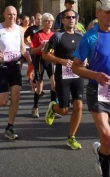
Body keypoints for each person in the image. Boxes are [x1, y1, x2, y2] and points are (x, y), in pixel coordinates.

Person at [72, 0, 110, 177]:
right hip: (97, 91)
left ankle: (100, 151)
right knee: (106, 138)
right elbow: (75, 67)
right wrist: (95, 75)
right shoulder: (90, 37)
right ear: (98, 12)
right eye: (107, 11)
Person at [0, 6, 32, 140]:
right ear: (4, 15)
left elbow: (22, 47)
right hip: (1, 67)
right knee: (4, 100)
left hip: (15, 66)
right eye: (9, 14)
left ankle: (9, 127)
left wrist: (26, 55)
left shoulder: (19, 29)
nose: (12, 17)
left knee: (16, 96)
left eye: (14, 14)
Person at [43, 9, 84, 150]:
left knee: (79, 106)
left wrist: (85, 60)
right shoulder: (57, 36)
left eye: (73, 17)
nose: (71, 19)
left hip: (77, 74)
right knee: (64, 110)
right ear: (63, 20)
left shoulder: (80, 36)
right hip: (62, 75)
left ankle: (71, 137)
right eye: (68, 17)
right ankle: (53, 108)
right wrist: (61, 61)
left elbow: (85, 52)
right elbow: (45, 55)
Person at [29, 12, 56, 118]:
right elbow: (32, 51)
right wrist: (41, 46)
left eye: (51, 21)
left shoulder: (54, 35)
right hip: (40, 60)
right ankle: (35, 107)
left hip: (50, 59)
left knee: (54, 85)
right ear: (43, 22)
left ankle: (53, 108)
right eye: (47, 21)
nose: (49, 23)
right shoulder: (37, 35)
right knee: (39, 88)